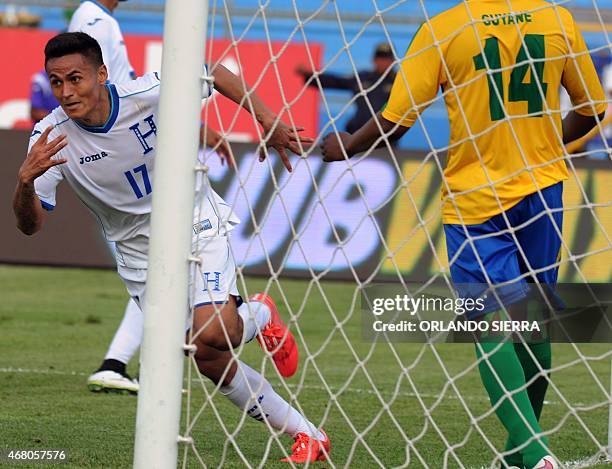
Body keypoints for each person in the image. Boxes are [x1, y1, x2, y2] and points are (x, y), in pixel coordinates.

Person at [13, 32, 330, 463]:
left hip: (194, 220)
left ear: (102, 74)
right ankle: (307, 430)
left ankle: (255, 316)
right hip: (139, 256)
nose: (66, 92)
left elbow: (214, 72)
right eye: (56, 82)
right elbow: (30, 227)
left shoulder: (145, 92)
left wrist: (268, 119)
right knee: (207, 357)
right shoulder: (50, 138)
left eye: (75, 78)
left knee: (214, 333)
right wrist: (24, 182)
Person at [320, 2, 606, 468]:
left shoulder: (445, 28)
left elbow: (395, 121)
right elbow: (593, 109)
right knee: (532, 316)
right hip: (545, 191)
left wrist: (346, 144)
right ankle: (522, 453)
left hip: (476, 199)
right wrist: (544, 145)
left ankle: (535, 457)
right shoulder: (558, 19)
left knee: (489, 320)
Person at [69, 0, 231, 394]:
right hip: (128, 158)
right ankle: (121, 362)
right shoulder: (96, 22)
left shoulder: (98, 20)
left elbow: (140, 102)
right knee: (159, 267)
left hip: (132, 147)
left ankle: (116, 362)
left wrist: (195, 127)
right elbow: (123, 102)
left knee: (160, 270)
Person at [296, 43, 396, 136]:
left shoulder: (398, 81)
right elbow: (337, 81)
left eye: (386, 59)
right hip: (358, 133)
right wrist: (310, 75)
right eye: (380, 58)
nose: (383, 62)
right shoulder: (363, 78)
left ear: (393, 61)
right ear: (374, 60)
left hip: (386, 135)